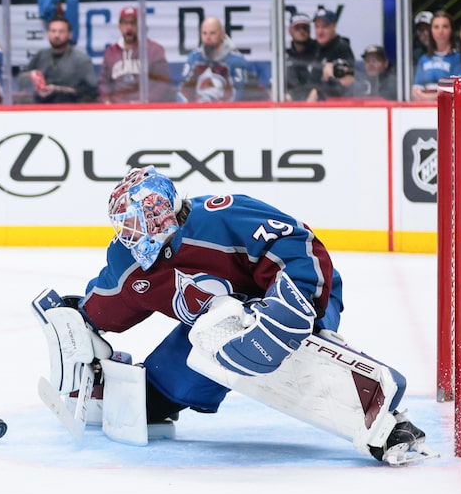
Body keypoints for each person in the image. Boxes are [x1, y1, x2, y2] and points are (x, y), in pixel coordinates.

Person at [40, 165, 428, 463]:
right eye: (122, 226)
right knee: (172, 377)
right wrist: (80, 320)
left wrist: (290, 309)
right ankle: (133, 395)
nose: (128, 234)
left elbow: (300, 246)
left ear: (161, 212)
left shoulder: (221, 217)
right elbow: (107, 303)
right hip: (215, 330)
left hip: (291, 302)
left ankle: (387, 428)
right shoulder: (128, 260)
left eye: (135, 223)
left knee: (296, 356)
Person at [98, 6, 174, 103]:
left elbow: (163, 83)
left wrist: (147, 101)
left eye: (133, 23)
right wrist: (107, 100)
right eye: (125, 23)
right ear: (119, 26)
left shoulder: (154, 50)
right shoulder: (111, 52)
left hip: (146, 108)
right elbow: (104, 83)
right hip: (118, 109)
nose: (129, 27)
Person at [19, 17, 97, 104]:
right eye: (53, 31)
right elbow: (22, 80)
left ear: (69, 34)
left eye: (61, 31)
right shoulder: (41, 55)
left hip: (70, 108)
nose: (56, 35)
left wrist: (60, 89)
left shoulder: (81, 60)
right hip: (41, 108)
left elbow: (92, 90)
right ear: (48, 33)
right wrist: (31, 77)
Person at [178, 17, 250, 103]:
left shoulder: (236, 61)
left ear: (222, 34)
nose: (208, 37)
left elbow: (239, 93)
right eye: (204, 33)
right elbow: (183, 90)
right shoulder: (194, 58)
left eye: (212, 33)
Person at [412, 10, 461, 100]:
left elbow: (456, 92)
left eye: (445, 27)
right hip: (424, 110)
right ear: (431, 31)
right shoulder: (424, 59)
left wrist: (429, 97)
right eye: (436, 27)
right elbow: (416, 90)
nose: (440, 31)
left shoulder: (458, 58)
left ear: (451, 30)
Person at [311, 8, 358, 100]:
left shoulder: (341, 48)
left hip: (335, 105)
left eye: (325, 27)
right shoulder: (315, 46)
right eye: (317, 26)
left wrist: (334, 72)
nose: (320, 31)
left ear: (334, 26)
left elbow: (350, 80)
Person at [284, 13, 321, 100]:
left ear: (309, 30)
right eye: (297, 28)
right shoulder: (285, 55)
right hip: (291, 105)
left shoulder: (320, 51)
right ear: (290, 31)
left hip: (317, 103)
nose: (301, 31)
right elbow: (273, 85)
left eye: (304, 27)